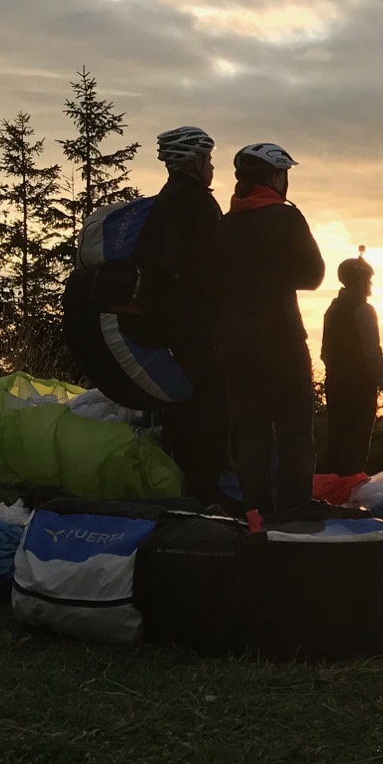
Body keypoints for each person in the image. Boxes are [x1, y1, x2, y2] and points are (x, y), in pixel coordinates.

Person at [213, 141, 325, 513]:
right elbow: (314, 275)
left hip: (234, 345)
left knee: (251, 431)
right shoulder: (287, 218)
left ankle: (255, 512)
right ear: (275, 177)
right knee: (295, 430)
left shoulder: (225, 226)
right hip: (281, 340)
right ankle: (295, 510)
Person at [133, 125, 228, 504]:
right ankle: (204, 490)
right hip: (198, 323)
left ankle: (181, 482)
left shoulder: (165, 201)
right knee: (209, 405)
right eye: (209, 158)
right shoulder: (198, 204)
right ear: (195, 161)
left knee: (182, 404)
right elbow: (214, 266)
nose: (213, 167)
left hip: (168, 321)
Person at [320, 254, 383, 476]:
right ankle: (349, 492)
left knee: (337, 439)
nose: (371, 285)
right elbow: (372, 352)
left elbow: (325, 352)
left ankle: (333, 489)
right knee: (357, 444)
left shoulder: (332, 310)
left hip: (335, 384)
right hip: (360, 386)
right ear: (361, 281)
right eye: (369, 280)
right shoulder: (364, 310)